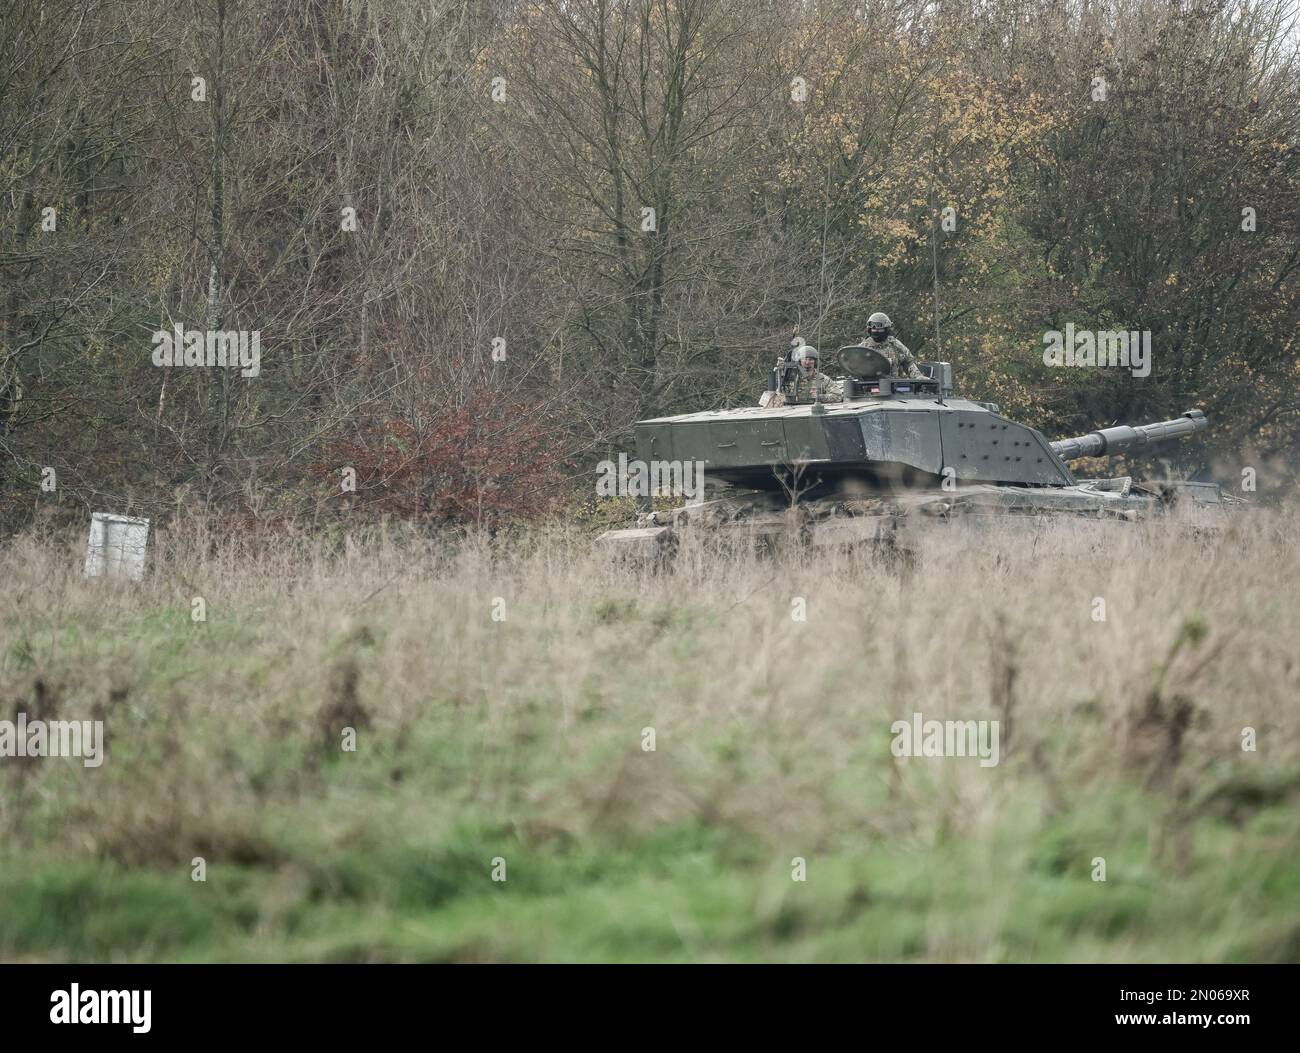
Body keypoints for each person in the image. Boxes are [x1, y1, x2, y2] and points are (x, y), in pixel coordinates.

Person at [767, 344, 841, 405]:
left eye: (810, 359)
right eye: (804, 359)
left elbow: (838, 396)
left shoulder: (822, 379)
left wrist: (820, 397)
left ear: (815, 362)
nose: (807, 362)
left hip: (813, 413)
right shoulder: (789, 378)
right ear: (800, 361)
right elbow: (776, 398)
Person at [866, 312, 924, 379]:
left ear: (887, 329)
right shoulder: (864, 347)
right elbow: (855, 368)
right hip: (868, 386)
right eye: (873, 329)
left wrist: (918, 376)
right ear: (869, 330)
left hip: (893, 386)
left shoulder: (895, 345)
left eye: (879, 329)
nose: (875, 330)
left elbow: (908, 363)